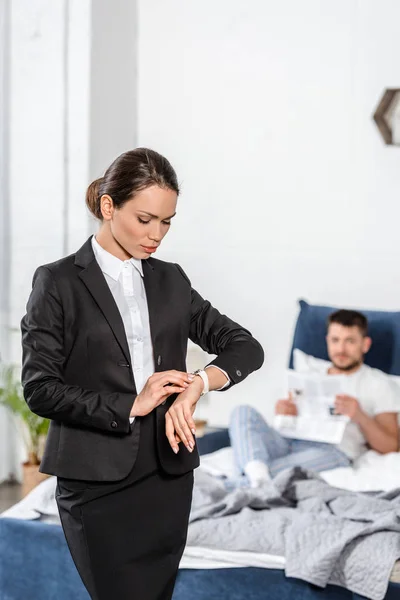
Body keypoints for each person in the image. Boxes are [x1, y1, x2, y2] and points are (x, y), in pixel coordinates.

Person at [20, 148, 264, 600]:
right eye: (146, 219)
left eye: (167, 221)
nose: (157, 235)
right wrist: (132, 403)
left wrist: (197, 386)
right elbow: (40, 390)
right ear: (109, 207)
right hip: (95, 482)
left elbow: (246, 346)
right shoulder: (57, 283)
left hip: (168, 476)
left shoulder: (172, 280)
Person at [229, 309, 399, 488]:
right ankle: (257, 476)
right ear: (328, 341)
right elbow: (283, 424)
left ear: (365, 344)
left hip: (333, 451)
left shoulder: (379, 384)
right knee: (242, 412)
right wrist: (284, 414)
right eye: (335, 340)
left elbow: (390, 447)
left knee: (271, 470)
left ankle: (248, 480)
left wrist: (359, 415)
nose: (341, 349)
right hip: (289, 440)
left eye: (350, 341)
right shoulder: (308, 375)